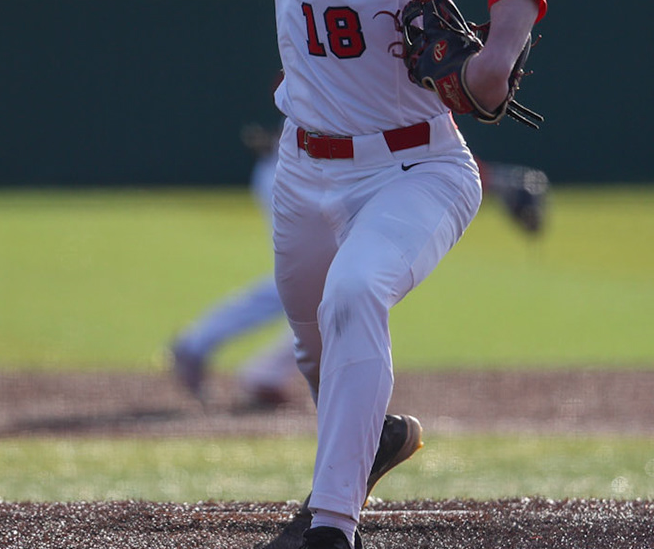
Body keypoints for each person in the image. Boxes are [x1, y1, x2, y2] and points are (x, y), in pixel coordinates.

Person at [261, 0, 546, 549]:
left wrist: (497, 59)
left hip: (413, 167)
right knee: (314, 349)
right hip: (305, 175)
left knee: (356, 299)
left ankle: (333, 540)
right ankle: (368, 441)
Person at [168, 125, 551, 409]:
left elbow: (432, 140)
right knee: (319, 283)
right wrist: (498, 181)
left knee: (343, 286)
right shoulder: (349, 48)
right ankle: (209, 348)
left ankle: (259, 368)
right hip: (302, 172)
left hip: (321, 171)